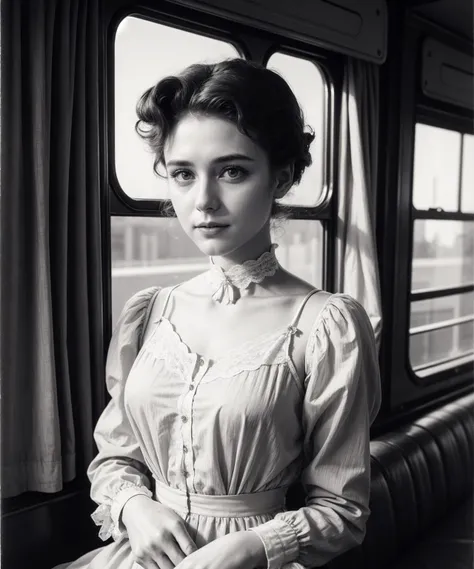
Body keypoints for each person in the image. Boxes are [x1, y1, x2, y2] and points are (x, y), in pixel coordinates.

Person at [54, 58, 381, 569]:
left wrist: (254, 546)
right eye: (183, 174)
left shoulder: (326, 327)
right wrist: (135, 506)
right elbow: (116, 456)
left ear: (282, 177)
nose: (203, 201)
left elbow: (343, 509)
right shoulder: (150, 313)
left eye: (232, 171)